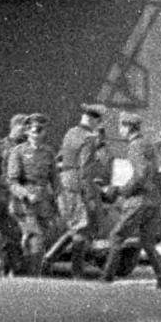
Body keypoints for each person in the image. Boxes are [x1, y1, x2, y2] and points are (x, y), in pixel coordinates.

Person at [101, 111, 161, 291]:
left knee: (116, 237)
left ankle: (105, 281)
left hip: (139, 200)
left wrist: (121, 191)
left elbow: (139, 176)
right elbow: (158, 173)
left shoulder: (135, 147)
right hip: (153, 200)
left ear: (127, 127)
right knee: (147, 243)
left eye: (121, 127)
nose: (119, 130)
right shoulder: (148, 144)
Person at [41, 104, 109, 278]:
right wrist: (89, 195)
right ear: (95, 120)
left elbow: (62, 157)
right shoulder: (89, 138)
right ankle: (75, 273)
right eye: (98, 121)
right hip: (78, 183)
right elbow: (85, 169)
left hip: (65, 181)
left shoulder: (71, 132)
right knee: (81, 227)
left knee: (76, 227)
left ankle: (49, 260)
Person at [7, 114, 60, 277]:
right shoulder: (19, 152)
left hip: (44, 202)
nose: (36, 132)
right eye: (32, 129)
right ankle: (32, 276)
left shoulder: (48, 152)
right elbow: (12, 181)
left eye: (40, 129)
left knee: (43, 238)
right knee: (36, 238)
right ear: (27, 131)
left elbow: (55, 179)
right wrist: (26, 194)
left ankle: (27, 272)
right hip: (25, 204)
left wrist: (59, 199)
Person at [0, 115, 28, 275]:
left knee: (20, 234)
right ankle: (3, 267)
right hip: (5, 196)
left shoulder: (28, 147)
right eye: (23, 126)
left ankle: (16, 267)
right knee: (5, 234)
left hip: (22, 196)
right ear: (14, 127)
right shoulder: (1, 147)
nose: (26, 130)